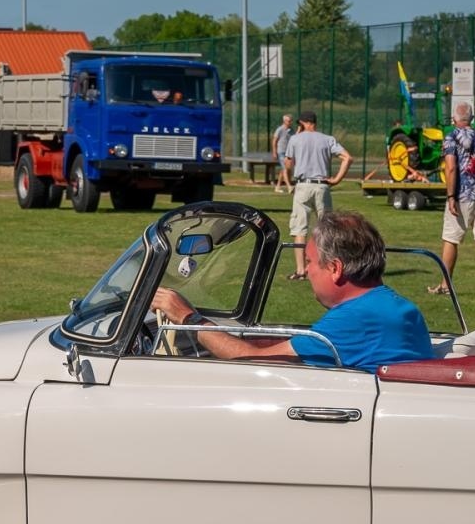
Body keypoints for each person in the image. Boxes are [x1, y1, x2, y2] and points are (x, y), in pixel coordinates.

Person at [150, 210, 434, 374]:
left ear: (335, 268)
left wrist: (188, 317)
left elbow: (249, 361)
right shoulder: (397, 308)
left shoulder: (355, 320)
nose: (307, 270)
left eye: (310, 262)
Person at [426, 102, 475, 299]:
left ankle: (445, 284)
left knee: (451, 239)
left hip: (463, 196)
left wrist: (451, 196)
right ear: (472, 118)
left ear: (454, 119)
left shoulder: (451, 137)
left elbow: (450, 168)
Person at [280, 110, 352, 280]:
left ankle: (300, 270)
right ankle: (327, 268)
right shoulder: (327, 139)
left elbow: (288, 164)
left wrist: (289, 181)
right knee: (327, 228)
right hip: (322, 186)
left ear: (303, 123)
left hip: (303, 185)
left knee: (299, 229)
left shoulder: (295, 139)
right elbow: (347, 158)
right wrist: (336, 179)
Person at [270, 113, 293, 192]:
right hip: (281, 152)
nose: (290, 122)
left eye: (291, 121)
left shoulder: (291, 130)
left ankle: (278, 186)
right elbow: (274, 140)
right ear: (284, 121)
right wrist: (274, 152)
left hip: (288, 153)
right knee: (285, 168)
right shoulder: (280, 129)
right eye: (289, 121)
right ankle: (289, 186)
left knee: (285, 169)